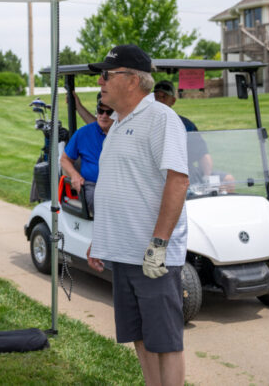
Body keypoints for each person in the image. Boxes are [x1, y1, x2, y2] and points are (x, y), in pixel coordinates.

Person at [86, 44, 190, 386]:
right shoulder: (116, 124)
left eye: (107, 75)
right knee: (141, 337)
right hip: (124, 252)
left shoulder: (161, 118)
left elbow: (178, 180)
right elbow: (118, 186)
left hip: (152, 254)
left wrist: (158, 243)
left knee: (165, 341)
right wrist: (99, 241)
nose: (100, 81)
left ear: (132, 81)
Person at [59, 93, 113, 215]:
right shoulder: (83, 133)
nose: (104, 115)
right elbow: (64, 159)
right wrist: (74, 175)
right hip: (92, 185)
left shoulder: (122, 133)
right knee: (100, 200)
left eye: (109, 112)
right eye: (100, 111)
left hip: (116, 185)